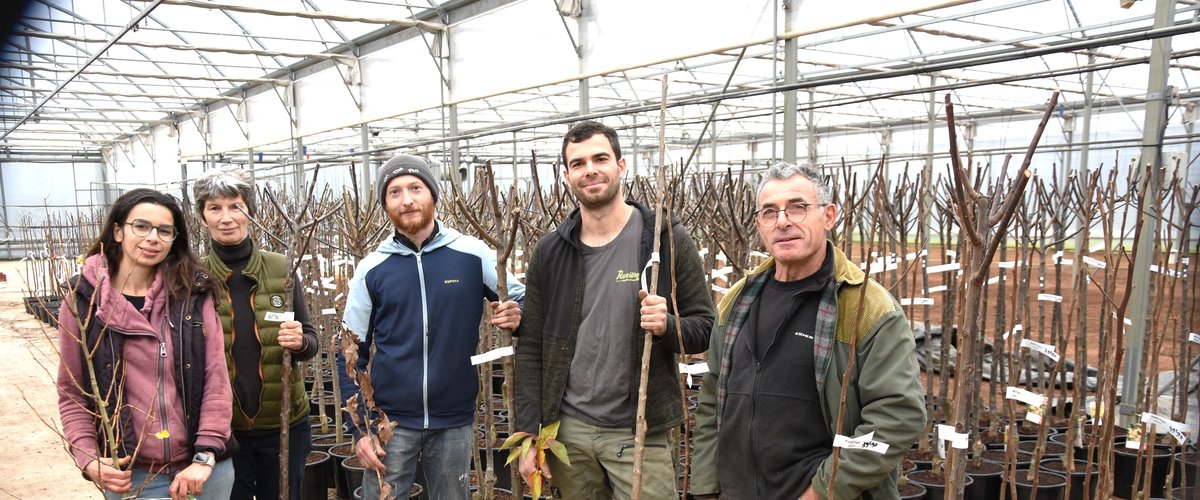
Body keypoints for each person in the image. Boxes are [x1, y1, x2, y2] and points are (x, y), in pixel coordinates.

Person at [690, 162, 926, 500]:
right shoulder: (737, 300)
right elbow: (713, 399)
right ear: (760, 225)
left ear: (828, 216)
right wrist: (706, 488)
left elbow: (896, 416)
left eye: (798, 208)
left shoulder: (867, 308)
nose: (783, 221)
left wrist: (822, 490)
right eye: (770, 213)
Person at [513, 121, 715, 500]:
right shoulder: (550, 252)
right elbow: (531, 348)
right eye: (578, 163)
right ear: (567, 175)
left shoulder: (664, 238)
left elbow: (705, 327)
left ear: (621, 166)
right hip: (568, 432)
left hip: (640, 428)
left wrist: (667, 326)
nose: (590, 169)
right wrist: (528, 434)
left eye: (600, 158)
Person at [338, 153, 525, 500]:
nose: (407, 200)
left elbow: (522, 298)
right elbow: (349, 352)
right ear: (385, 204)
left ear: (433, 195)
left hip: (454, 418)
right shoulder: (372, 268)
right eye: (394, 192)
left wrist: (518, 314)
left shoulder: (471, 253)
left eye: (415, 188)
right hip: (389, 423)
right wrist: (361, 429)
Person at [56, 188, 234, 500]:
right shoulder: (82, 302)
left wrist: (206, 453)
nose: (153, 238)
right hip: (134, 475)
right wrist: (87, 456)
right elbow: (73, 393)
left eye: (164, 231)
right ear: (117, 231)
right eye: (141, 226)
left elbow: (216, 379)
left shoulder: (192, 295)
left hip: (202, 472)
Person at [193, 167, 319, 500]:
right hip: (223, 431)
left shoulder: (280, 267)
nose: (226, 217)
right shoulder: (194, 278)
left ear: (251, 211)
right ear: (202, 217)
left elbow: (311, 341)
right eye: (215, 208)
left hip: (284, 426)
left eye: (236, 206)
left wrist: (301, 341)